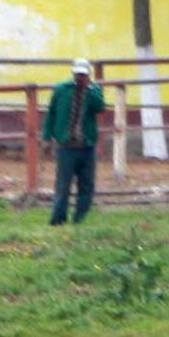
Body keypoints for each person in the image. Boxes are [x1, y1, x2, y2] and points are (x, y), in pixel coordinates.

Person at [42, 58, 107, 226]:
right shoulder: (62, 90)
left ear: (89, 75)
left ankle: (80, 218)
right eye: (78, 75)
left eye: (83, 75)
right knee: (63, 185)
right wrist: (47, 137)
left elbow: (100, 107)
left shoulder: (94, 90)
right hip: (67, 146)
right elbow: (52, 113)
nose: (80, 78)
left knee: (87, 185)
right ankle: (58, 219)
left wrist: (90, 90)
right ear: (73, 74)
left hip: (87, 145)